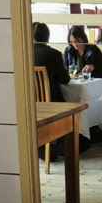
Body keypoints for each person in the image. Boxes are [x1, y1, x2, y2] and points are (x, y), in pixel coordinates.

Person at [33, 22, 70, 160]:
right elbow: (65, 80)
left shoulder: (22, 53)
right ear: (47, 37)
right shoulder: (54, 54)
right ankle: (60, 147)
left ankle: (39, 145)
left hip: (28, 100)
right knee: (70, 107)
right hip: (51, 101)